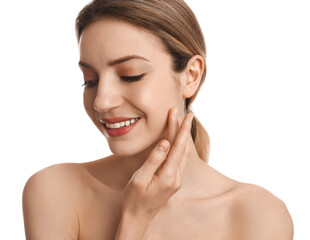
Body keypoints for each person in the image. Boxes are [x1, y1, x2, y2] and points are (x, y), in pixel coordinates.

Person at [22, 0, 294, 239]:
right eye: (90, 81)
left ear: (191, 76)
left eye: (130, 75)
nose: (101, 101)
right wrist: (135, 219)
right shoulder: (55, 192)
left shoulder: (258, 215)